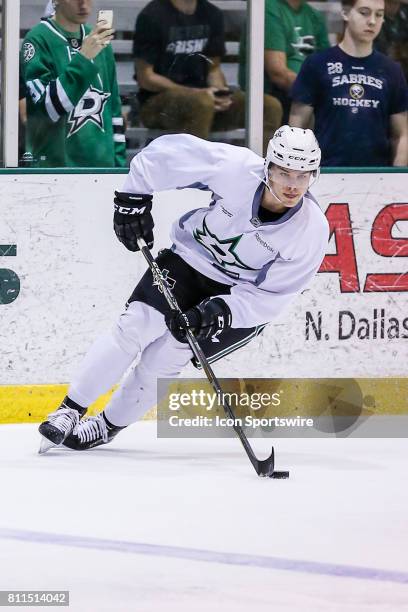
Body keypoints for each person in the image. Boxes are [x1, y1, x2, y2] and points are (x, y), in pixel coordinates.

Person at [38, 126, 329, 452]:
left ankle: (106, 426)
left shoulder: (311, 230)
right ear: (268, 168)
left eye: (303, 175)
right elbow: (164, 155)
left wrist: (220, 312)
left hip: (237, 297)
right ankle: (69, 409)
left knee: (164, 357)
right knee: (135, 325)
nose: (293, 184)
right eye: (285, 172)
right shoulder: (235, 169)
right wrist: (133, 197)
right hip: (190, 261)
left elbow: (277, 295)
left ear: (313, 175)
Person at [132, 0, 282, 153]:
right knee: (201, 103)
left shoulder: (212, 13)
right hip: (156, 104)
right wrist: (195, 93)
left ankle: (262, 169)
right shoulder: (152, 15)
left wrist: (221, 93)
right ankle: (194, 171)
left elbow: (213, 69)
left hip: (205, 101)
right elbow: (146, 77)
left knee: (269, 106)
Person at [290, 0, 408, 166]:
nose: (372, 21)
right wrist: (298, 172)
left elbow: (401, 135)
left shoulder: (392, 70)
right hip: (326, 171)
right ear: (345, 13)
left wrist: (397, 179)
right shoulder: (317, 64)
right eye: (364, 12)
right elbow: (297, 126)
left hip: (377, 176)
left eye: (379, 15)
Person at [21, 0, 126, 167]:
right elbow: (47, 108)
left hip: (103, 167)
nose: (83, 4)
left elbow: (114, 110)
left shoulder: (99, 41)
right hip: (55, 168)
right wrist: (84, 58)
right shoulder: (36, 40)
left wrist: (119, 165)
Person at [239, 0, 330, 123]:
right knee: (309, 108)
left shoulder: (315, 16)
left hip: (305, 91)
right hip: (273, 91)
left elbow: (329, 67)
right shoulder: (267, 8)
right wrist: (316, 92)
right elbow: (277, 73)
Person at [374, 0, 408, 80]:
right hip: (384, 62)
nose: (394, 7)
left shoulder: (403, 14)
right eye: (390, 3)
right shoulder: (376, 19)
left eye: (396, 4)